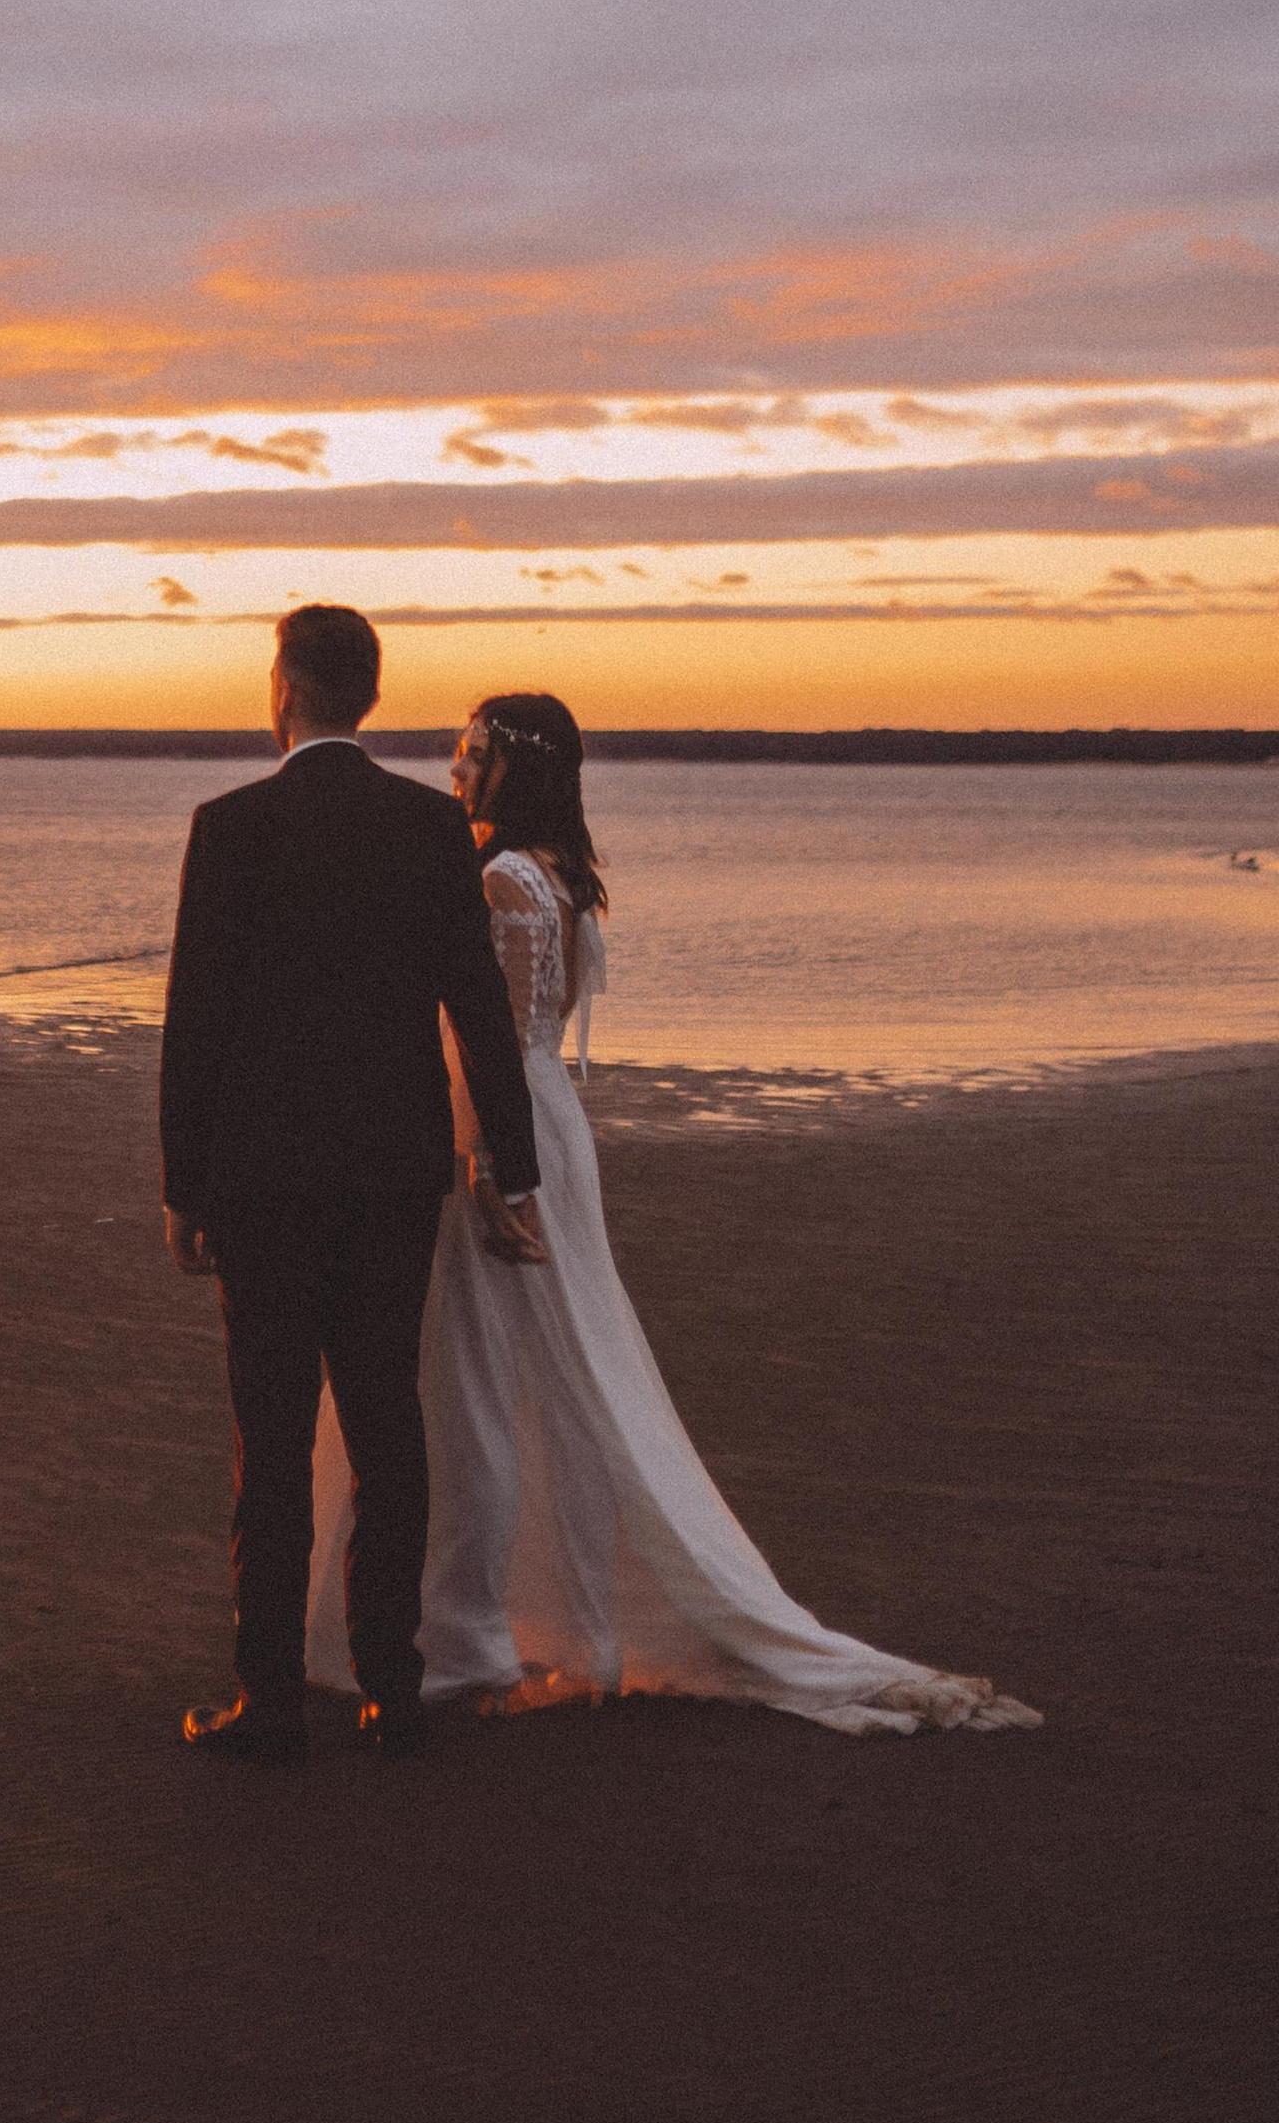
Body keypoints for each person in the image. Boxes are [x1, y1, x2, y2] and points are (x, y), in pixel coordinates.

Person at [306, 691, 1039, 1736]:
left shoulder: (508, 880)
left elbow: (493, 1040)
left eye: (470, 756)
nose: (454, 772)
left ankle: (464, 1635)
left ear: (515, 769)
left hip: (494, 1138)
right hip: (533, 1129)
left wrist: (484, 1169)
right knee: (503, 1374)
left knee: (471, 1385)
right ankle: (473, 1620)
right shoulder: (555, 873)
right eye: (455, 753)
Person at [160, 604, 546, 1764]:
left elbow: (198, 1021)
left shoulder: (230, 826)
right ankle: (390, 1684)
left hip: (263, 1177)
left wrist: (184, 1184)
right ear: (368, 697)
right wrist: (512, 1164)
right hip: (390, 1172)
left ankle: (268, 1696)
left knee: (268, 1435)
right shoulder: (429, 828)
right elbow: (476, 1007)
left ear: (281, 687)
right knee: (388, 1422)